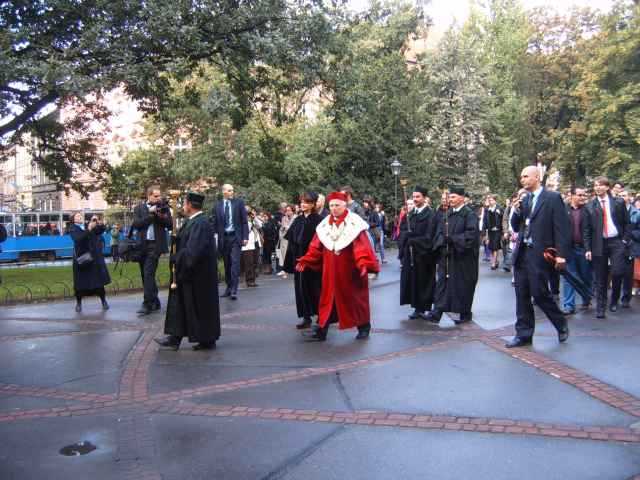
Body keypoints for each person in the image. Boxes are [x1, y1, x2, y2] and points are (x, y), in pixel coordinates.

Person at [295, 191, 380, 342]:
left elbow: (361, 247)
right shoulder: (324, 224)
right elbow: (316, 246)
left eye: (337, 205)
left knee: (355, 299)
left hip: (350, 271)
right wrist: (307, 259)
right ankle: (322, 330)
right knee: (327, 299)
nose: (333, 208)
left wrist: (363, 264)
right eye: (331, 205)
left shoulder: (355, 223)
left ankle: (363, 327)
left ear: (344, 205)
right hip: (330, 271)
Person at [505, 166, 570, 348]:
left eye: (526, 176)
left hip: (539, 254)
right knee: (521, 294)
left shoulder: (552, 198)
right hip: (522, 253)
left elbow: (562, 228)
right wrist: (516, 211)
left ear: (536, 177)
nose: (522, 180)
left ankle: (560, 323)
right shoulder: (524, 200)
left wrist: (561, 255)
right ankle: (523, 333)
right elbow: (516, 227)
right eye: (521, 177)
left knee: (539, 293)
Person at [154, 192, 220, 351]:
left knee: (200, 308)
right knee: (182, 305)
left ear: (190, 205)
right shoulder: (192, 221)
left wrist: (178, 257)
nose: (183, 206)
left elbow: (194, 250)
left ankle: (206, 339)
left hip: (199, 275)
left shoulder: (200, 223)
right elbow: (186, 241)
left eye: (184, 203)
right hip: (190, 273)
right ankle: (174, 337)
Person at [425, 185, 480, 325]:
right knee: (442, 283)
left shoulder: (469, 214)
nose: (451, 199)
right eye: (450, 197)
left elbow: (471, 236)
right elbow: (439, 231)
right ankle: (437, 312)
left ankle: (465, 313)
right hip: (447, 255)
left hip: (463, 258)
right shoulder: (447, 213)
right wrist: (441, 242)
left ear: (462, 198)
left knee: (462, 285)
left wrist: (454, 240)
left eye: (453, 197)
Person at [583, 177, 630, 317]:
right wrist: (588, 249)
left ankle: (614, 300)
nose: (597, 187)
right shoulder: (589, 206)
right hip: (599, 243)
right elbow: (586, 230)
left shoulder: (618, 202)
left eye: (600, 185)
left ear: (607, 187)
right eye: (595, 185)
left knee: (617, 271)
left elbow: (627, 223)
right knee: (600, 277)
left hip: (616, 241)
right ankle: (601, 307)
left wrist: (625, 240)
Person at [283, 192, 323, 329]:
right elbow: (291, 242)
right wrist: (289, 263)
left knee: (315, 288)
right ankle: (306, 317)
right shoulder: (298, 220)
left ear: (312, 204)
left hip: (313, 261)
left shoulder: (318, 220)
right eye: (301, 202)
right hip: (298, 259)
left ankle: (320, 316)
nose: (303, 204)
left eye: (306, 202)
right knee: (300, 289)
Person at [132, 185, 172, 315]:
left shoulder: (163, 207)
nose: (158, 198)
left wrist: (159, 215)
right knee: (145, 275)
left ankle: (147, 303)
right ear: (149, 196)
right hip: (142, 246)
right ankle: (155, 300)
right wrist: (150, 214)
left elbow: (170, 224)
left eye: (159, 195)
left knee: (149, 273)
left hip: (155, 246)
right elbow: (137, 225)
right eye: (156, 196)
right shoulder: (139, 208)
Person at [399, 186, 438, 320]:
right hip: (411, 255)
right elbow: (403, 230)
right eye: (414, 197)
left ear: (424, 198)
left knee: (424, 281)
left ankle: (425, 306)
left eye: (418, 197)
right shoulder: (410, 214)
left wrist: (414, 240)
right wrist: (406, 237)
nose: (415, 199)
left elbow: (430, 235)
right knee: (413, 281)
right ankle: (417, 307)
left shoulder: (431, 215)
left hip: (424, 255)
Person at [212, 183, 248, 300]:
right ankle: (228, 287)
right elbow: (215, 223)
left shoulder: (239, 203)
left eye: (232, 190)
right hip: (224, 238)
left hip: (236, 238)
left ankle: (234, 289)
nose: (232, 192)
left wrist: (245, 237)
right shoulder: (217, 206)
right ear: (224, 192)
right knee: (227, 264)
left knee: (235, 263)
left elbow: (244, 222)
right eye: (229, 190)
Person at [70, 212, 111, 312]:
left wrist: (99, 223)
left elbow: (100, 231)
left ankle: (104, 301)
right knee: (80, 285)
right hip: (82, 259)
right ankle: (78, 303)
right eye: (78, 216)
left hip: (94, 258)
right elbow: (78, 239)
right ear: (73, 219)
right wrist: (89, 228)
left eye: (81, 216)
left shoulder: (87, 225)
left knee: (98, 283)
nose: (80, 217)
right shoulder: (73, 228)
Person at [561, 186, 593, 314]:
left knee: (585, 275)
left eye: (584, 195)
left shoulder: (588, 210)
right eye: (579, 195)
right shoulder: (563, 209)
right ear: (572, 195)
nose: (582, 198)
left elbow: (591, 231)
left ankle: (586, 298)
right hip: (567, 249)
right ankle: (569, 305)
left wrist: (589, 249)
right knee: (569, 277)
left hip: (583, 249)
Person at [240, 206, 261, 288]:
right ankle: (248, 280)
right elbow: (247, 230)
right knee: (247, 263)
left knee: (252, 263)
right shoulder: (242, 220)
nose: (248, 212)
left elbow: (260, 225)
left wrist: (254, 217)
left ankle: (251, 280)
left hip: (253, 244)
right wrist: (248, 221)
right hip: (245, 245)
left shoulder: (251, 219)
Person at [482, 195, 503, 270]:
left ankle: (493, 262)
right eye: (489, 200)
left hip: (497, 230)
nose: (490, 202)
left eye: (491, 200)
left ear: (495, 201)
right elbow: (484, 221)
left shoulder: (499, 208)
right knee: (490, 246)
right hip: (490, 231)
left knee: (495, 247)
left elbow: (503, 219)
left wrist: (500, 213)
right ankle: (496, 261)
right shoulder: (487, 210)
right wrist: (484, 232)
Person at [276, 205, 295, 278]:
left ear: (292, 211)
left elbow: (291, 227)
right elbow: (283, 227)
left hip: (293, 238)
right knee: (283, 254)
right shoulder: (284, 218)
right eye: (286, 210)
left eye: (289, 210)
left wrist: (287, 227)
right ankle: (284, 270)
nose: (288, 212)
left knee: (292, 254)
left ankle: (293, 269)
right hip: (284, 238)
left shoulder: (296, 218)